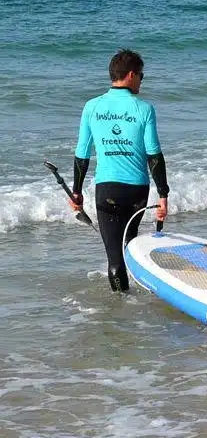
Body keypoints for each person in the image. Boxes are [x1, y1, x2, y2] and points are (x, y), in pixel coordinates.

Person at [69, 49, 169, 292]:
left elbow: (82, 154)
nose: (142, 81)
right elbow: (154, 155)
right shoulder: (144, 109)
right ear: (131, 74)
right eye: (141, 76)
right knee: (129, 246)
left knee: (114, 258)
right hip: (138, 191)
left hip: (108, 189)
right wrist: (163, 194)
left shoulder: (92, 107)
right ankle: (135, 304)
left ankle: (121, 311)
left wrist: (76, 192)